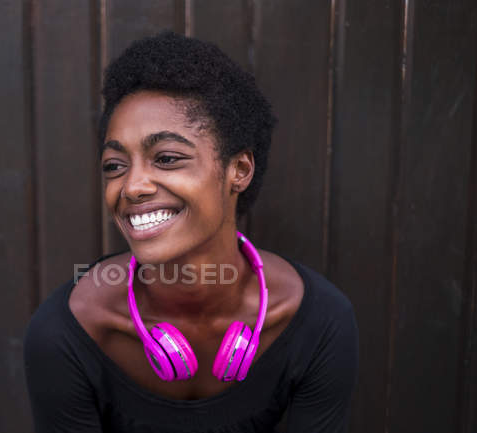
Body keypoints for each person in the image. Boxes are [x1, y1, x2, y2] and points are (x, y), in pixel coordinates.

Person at [23, 31, 359, 433]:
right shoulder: (66, 332)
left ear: (239, 170)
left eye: (166, 158)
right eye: (115, 165)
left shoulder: (319, 321)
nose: (131, 187)